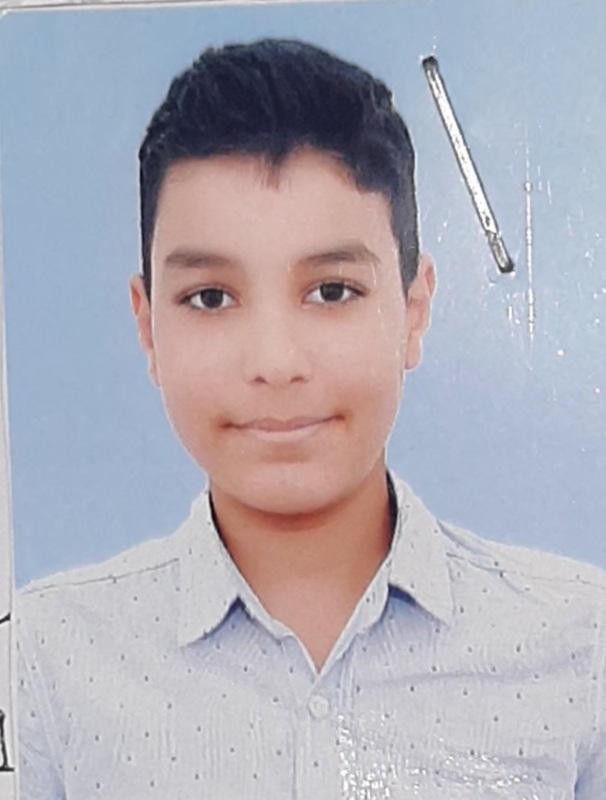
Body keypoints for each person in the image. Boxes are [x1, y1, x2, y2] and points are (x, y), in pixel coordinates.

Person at [16, 38, 606, 799]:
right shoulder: (45, 658)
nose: (276, 361)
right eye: (210, 297)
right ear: (147, 325)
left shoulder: (580, 641)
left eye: (331, 291)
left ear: (414, 311)